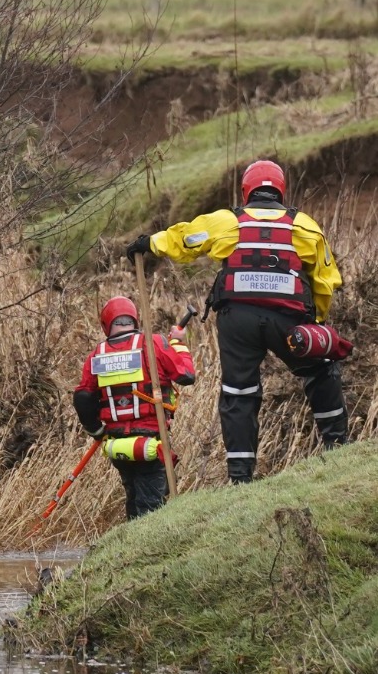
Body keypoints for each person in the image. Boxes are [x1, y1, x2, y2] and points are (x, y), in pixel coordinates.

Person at [126, 158, 349, 484]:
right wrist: (318, 322)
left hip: (237, 322)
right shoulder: (305, 226)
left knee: (239, 392)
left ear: (247, 191)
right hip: (290, 322)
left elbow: (186, 239)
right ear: (281, 190)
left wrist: (150, 242)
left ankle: (240, 477)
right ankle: (337, 445)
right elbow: (326, 281)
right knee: (320, 372)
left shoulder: (227, 221)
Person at [72, 296, 196, 520]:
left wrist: (96, 431)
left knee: (134, 497)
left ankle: (130, 543)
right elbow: (186, 375)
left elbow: (83, 397)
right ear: (135, 319)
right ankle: (149, 548)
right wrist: (177, 343)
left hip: (116, 443)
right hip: (151, 440)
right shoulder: (154, 343)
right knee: (151, 507)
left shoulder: (96, 355)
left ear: (105, 324)